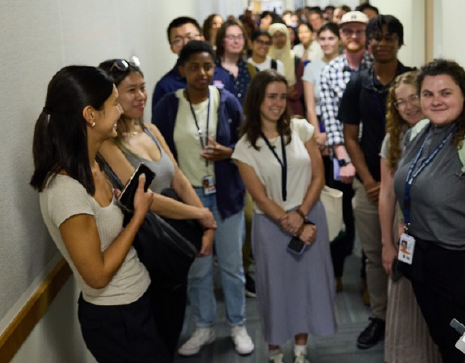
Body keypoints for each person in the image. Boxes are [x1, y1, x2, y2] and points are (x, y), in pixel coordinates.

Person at [31, 66, 171, 362]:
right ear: (90, 115)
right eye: (114, 103)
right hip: (116, 318)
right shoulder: (65, 189)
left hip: (137, 299)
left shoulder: (94, 165)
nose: (121, 110)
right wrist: (137, 217)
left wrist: (123, 207)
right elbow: (96, 276)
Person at [97, 58, 217, 354]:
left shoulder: (149, 129)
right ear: (111, 97)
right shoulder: (108, 144)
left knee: (173, 318)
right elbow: (146, 200)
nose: (140, 96)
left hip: (174, 239)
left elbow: (178, 179)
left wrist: (206, 221)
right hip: (146, 246)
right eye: (131, 91)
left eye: (143, 88)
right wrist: (200, 213)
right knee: (153, 331)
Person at [152, 40, 255, 357]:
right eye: (194, 66)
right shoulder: (169, 105)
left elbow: (247, 145)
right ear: (182, 69)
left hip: (225, 195)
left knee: (232, 267)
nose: (201, 72)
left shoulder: (226, 102)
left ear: (215, 68)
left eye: (208, 66)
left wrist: (229, 152)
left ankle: (238, 325)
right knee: (196, 269)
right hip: (188, 200)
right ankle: (204, 326)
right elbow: (160, 154)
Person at [233, 70, 337, 363]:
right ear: (257, 100)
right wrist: (291, 223)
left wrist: (301, 215)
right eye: (271, 97)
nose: (278, 104)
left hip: (309, 218)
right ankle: (275, 352)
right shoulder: (244, 147)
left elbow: (318, 176)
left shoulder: (301, 129)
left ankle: (301, 351)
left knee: (306, 287)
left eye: (282, 97)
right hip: (272, 226)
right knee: (275, 291)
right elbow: (260, 198)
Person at [393, 59, 465, 362]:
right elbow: (406, 183)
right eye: (427, 94)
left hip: (459, 261)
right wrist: (402, 223)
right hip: (421, 254)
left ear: (464, 94)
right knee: (440, 337)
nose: (436, 101)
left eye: (445, 93)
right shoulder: (419, 131)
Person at [338, 14, 414, 350]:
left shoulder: (413, 81)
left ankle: (408, 316)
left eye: (389, 37)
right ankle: (381, 317)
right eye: (377, 37)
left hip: (410, 183)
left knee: (409, 251)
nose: (383, 43)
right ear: (368, 43)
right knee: (374, 253)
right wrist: (369, 181)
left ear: (399, 41)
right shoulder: (359, 83)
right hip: (369, 183)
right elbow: (350, 136)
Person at [378, 72, 441, 363]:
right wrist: (386, 245)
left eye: (413, 97)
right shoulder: (394, 139)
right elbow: (386, 195)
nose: (408, 106)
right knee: (406, 298)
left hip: (436, 229)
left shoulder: (443, 133)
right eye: (400, 102)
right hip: (402, 230)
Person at [319, 11, 373, 294]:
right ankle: (336, 272)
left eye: (359, 31)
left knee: (370, 219)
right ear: (341, 35)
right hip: (341, 155)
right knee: (341, 218)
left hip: (372, 153)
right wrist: (343, 159)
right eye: (348, 31)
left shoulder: (376, 66)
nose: (354, 36)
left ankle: (367, 278)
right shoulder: (330, 71)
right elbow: (330, 119)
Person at [152, 16, 235, 111]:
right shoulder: (165, 86)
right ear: (172, 48)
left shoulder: (222, 76)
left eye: (190, 37)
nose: (185, 43)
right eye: (178, 40)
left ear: (202, 39)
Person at [302, 22, 341, 155]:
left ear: (339, 40)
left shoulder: (346, 66)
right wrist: (318, 135)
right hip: (320, 124)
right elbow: (310, 107)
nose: (326, 43)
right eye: (322, 39)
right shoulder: (311, 68)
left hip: (343, 125)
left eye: (331, 39)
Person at [216, 19, 256, 104]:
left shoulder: (251, 70)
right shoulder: (212, 69)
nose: (236, 41)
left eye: (240, 37)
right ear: (222, 41)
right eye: (231, 37)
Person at [268, 23, 304, 116]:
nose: (279, 39)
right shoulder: (266, 59)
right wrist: (285, 91)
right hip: (269, 107)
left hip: (292, 107)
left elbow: (298, 90)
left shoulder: (295, 59)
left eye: (282, 35)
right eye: (275, 36)